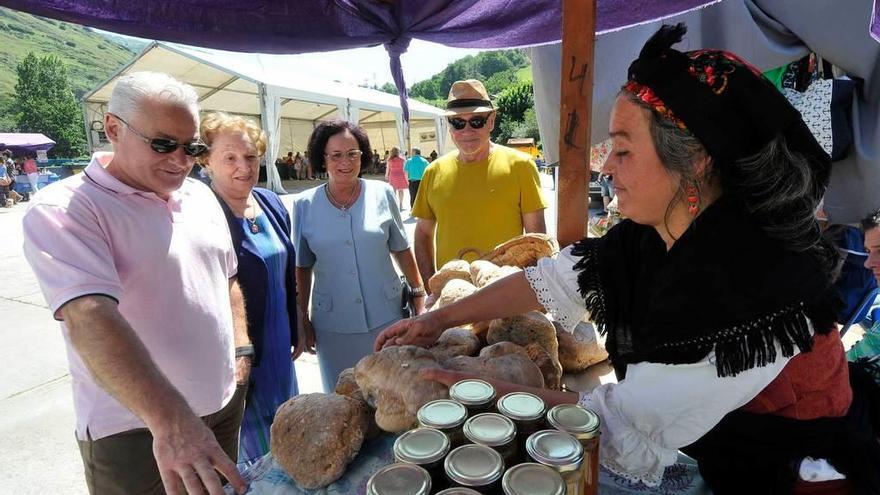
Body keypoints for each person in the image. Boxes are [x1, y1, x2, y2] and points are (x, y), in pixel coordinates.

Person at [377, 25, 880, 494]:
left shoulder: (752, 284)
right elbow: (550, 277)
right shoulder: (651, 234)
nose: (607, 167)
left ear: (695, 159)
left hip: (791, 475)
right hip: (716, 447)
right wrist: (440, 318)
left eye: (622, 150)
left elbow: (616, 422)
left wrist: (481, 387)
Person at [22, 72, 249, 495]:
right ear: (112, 129)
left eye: (192, 147)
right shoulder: (67, 208)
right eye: (163, 144)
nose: (180, 160)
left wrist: (241, 350)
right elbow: (87, 317)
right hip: (140, 430)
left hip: (220, 408)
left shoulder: (199, 195)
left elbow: (228, 278)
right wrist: (172, 420)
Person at [292, 119, 426, 393]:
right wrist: (301, 318)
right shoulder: (304, 204)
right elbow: (302, 267)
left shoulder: (382, 192)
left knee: (394, 396)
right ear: (322, 158)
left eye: (352, 154)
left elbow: (401, 247)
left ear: (362, 156)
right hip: (333, 326)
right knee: (344, 399)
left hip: (388, 319)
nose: (345, 162)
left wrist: (419, 294)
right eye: (336, 155)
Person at [199, 112, 301, 466]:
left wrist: (298, 323)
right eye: (230, 158)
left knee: (289, 434)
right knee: (251, 453)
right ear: (206, 160)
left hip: (279, 343)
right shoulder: (201, 213)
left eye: (251, 156)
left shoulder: (270, 202)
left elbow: (289, 270)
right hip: (237, 355)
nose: (243, 167)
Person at [411, 79, 547, 286]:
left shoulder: (521, 166)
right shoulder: (433, 171)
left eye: (476, 121)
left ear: (491, 120)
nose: (467, 130)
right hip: (452, 296)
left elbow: (536, 240)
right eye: (457, 122)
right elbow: (422, 234)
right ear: (449, 127)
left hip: (505, 295)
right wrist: (432, 288)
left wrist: (530, 293)